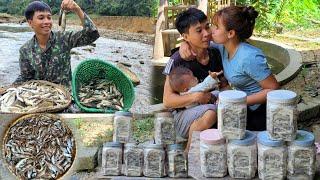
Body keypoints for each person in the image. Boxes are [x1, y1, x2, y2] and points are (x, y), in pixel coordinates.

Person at [179, 6, 280, 131]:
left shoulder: (249, 57)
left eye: (216, 27)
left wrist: (237, 101)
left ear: (230, 33)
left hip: (262, 110)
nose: (211, 31)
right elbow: (197, 40)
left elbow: (273, 89)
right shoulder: (223, 46)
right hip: (244, 106)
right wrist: (184, 43)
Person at [162, 8, 228, 151]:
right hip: (185, 115)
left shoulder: (215, 53)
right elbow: (167, 101)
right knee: (210, 112)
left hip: (213, 105)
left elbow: (223, 86)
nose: (206, 33)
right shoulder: (177, 60)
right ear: (185, 37)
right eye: (199, 31)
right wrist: (197, 97)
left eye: (207, 27)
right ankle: (189, 152)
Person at [14, 0, 100, 87]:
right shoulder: (25, 50)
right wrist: (9, 88)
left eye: (49, 17)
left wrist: (77, 9)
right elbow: (26, 78)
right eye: (41, 18)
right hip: (40, 96)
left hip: (65, 96)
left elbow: (92, 34)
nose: (47, 21)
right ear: (30, 22)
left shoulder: (64, 39)